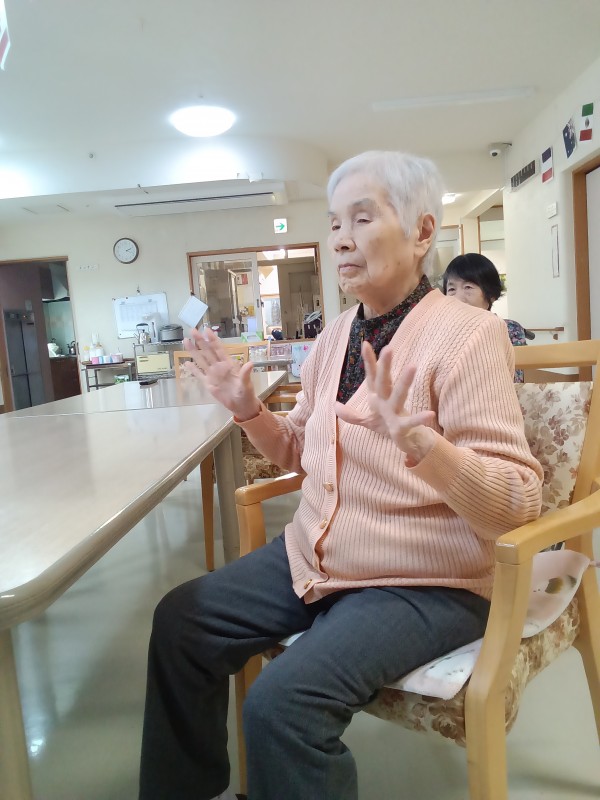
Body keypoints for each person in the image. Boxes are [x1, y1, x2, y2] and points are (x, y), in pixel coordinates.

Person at [139, 151, 543, 800]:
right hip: (318, 554)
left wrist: (422, 443)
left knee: (281, 706)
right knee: (182, 621)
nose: (341, 239)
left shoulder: (470, 336)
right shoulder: (334, 338)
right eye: (333, 223)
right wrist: (248, 411)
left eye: (362, 218)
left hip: (424, 579)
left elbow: (517, 504)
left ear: (421, 232)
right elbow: (301, 451)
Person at [442, 252, 528, 381]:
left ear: (491, 294)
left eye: (468, 287)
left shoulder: (510, 329)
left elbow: (514, 380)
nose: (458, 298)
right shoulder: (442, 333)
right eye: (452, 289)